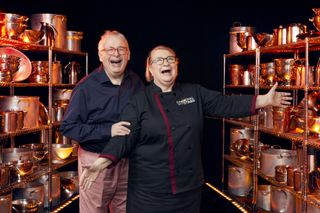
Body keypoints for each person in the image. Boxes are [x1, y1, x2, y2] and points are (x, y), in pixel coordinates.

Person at [79, 45, 292, 213]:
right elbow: (123, 136)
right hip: (149, 195)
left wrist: (263, 100)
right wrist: (100, 163)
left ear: (177, 65)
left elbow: (225, 104)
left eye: (171, 59)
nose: (166, 63)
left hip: (188, 191)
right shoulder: (139, 100)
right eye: (159, 60)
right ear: (150, 69)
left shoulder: (194, 93)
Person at [60, 30, 144, 213]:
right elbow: (68, 127)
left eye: (121, 49)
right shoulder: (86, 87)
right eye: (110, 49)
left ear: (128, 54)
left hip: (127, 161)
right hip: (95, 161)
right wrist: (109, 130)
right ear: (100, 55)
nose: (116, 54)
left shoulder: (136, 83)